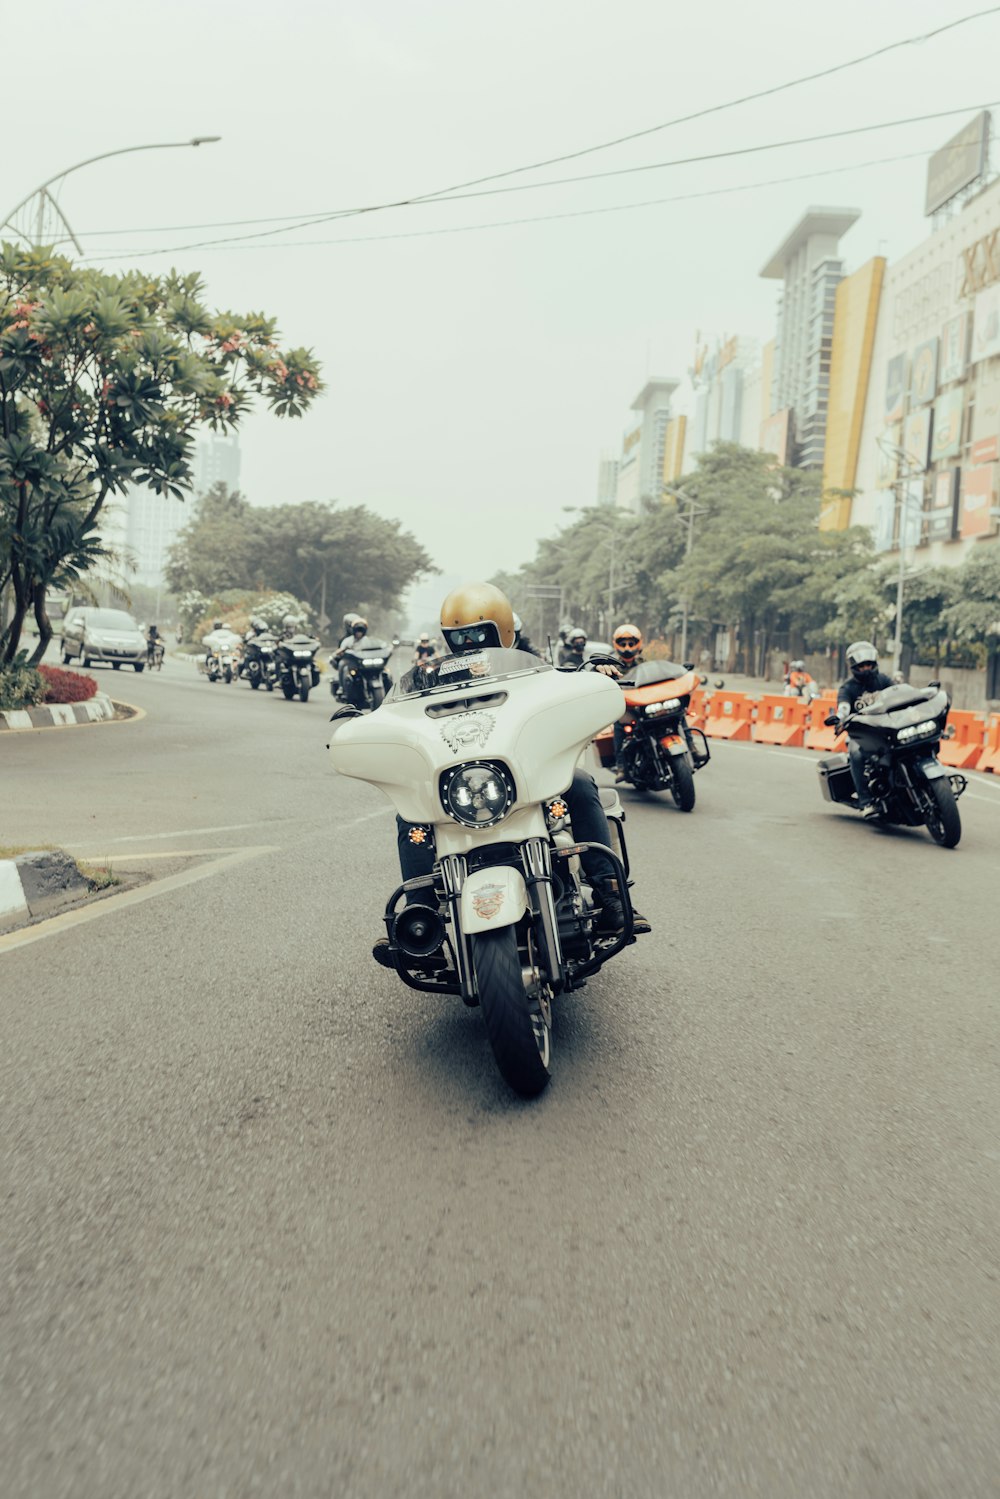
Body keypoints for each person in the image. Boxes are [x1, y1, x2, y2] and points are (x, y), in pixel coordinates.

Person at [362, 582, 650, 969]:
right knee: (412, 820)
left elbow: (565, 686)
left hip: (527, 777)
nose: (470, 644)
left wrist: (591, 674)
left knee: (580, 784)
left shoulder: (534, 667)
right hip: (466, 783)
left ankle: (611, 895)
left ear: (503, 630)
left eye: (480, 634)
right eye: (460, 637)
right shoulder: (433, 679)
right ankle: (420, 922)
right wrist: (371, 719)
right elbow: (403, 712)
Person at [834, 641, 894, 819]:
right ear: (854, 667)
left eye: (869, 664)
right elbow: (843, 707)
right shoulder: (848, 688)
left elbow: (900, 694)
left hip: (887, 729)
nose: (866, 668)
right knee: (856, 754)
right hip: (861, 734)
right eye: (862, 665)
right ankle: (865, 801)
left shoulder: (884, 681)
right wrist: (840, 718)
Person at [610, 623, 644, 780]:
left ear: (638, 644)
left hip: (645, 705)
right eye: (623, 644)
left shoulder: (645, 665)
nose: (627, 647)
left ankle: (691, 747)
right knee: (618, 725)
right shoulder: (612, 665)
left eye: (631, 643)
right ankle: (621, 766)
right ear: (616, 645)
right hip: (626, 708)